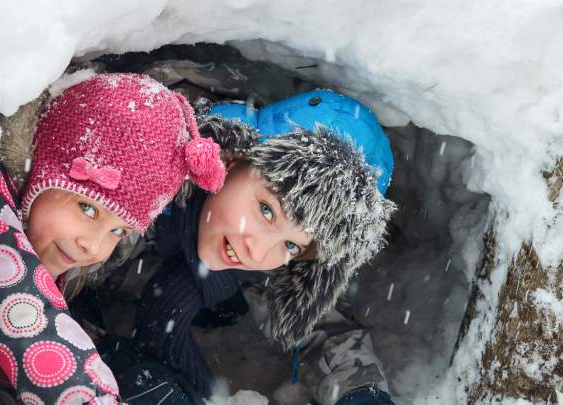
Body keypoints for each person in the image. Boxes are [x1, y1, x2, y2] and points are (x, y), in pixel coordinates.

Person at [78, 88, 398, 405]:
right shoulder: (129, 205)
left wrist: (362, 396)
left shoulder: (256, 259)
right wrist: (105, 361)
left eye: (291, 244)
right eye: (267, 210)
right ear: (231, 159)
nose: (258, 252)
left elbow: (328, 333)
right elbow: (44, 290)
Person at [0, 73, 226, 404]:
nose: (95, 246)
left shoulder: (51, 243)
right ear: (42, 171)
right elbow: (26, 320)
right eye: (87, 208)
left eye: (118, 231)